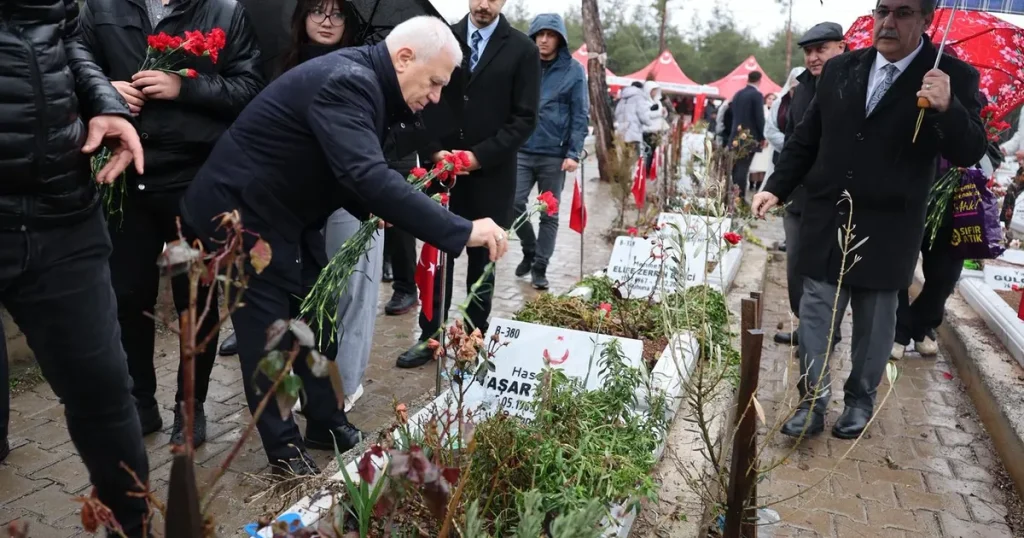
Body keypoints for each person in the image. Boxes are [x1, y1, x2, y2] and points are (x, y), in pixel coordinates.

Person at [180, 15, 511, 475]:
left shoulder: (366, 83)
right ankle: (285, 453)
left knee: (320, 317)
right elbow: (365, 175)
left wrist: (406, 203)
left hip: (287, 216)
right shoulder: (348, 82)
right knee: (269, 334)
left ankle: (325, 421)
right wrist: (459, 229)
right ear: (405, 57)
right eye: (434, 83)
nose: (435, 97)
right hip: (242, 217)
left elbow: (353, 170)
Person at [753, 0, 988, 440]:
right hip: (828, 217)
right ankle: (812, 401)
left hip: (889, 227)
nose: (888, 22)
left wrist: (949, 107)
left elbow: (969, 150)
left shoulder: (951, 76)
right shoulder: (842, 69)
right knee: (817, 314)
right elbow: (807, 136)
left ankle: (859, 400)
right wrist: (775, 186)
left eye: (902, 13)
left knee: (874, 327)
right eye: (883, 10)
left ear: (926, 20)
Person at [80, 0, 263, 449]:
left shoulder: (225, 10)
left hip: (196, 181)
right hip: (126, 178)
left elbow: (250, 89)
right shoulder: (100, 6)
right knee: (127, 296)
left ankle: (190, 405)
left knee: (195, 301)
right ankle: (139, 401)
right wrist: (103, 90)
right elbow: (74, 62)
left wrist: (185, 86)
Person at [1, 1, 151, 533]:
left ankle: (132, 526)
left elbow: (65, 41)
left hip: (61, 209)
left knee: (105, 392)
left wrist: (103, 101)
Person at [395, 0, 541, 369]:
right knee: (435, 257)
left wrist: (477, 157)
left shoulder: (522, 50)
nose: (484, 3)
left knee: (483, 262)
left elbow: (524, 119)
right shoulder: (443, 37)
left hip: (491, 176)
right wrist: (432, 150)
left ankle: (472, 343)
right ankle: (430, 336)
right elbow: (420, 102)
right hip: (439, 170)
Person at [770, 23, 845, 347]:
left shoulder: (851, 83)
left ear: (841, 47)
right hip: (797, 196)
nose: (814, 57)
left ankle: (825, 334)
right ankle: (807, 328)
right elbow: (792, 140)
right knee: (796, 267)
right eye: (809, 51)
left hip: (833, 198)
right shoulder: (800, 88)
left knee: (829, 273)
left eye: (822, 49)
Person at [513, 13, 589, 290]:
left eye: (550, 34)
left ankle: (540, 266)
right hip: (521, 149)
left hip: (554, 155)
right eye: (539, 34)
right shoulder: (523, 64)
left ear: (560, 38)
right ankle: (529, 248)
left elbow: (580, 113)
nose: (544, 40)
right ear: (533, 36)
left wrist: (574, 152)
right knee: (513, 202)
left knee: (549, 213)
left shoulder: (573, 70)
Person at [728, 71, 766, 198]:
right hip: (749, 136)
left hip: (735, 135)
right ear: (759, 80)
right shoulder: (756, 95)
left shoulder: (738, 94)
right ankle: (739, 198)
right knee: (743, 168)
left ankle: (733, 195)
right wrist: (762, 137)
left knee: (736, 167)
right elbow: (759, 118)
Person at [748, 92, 777, 192]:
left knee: (765, 163)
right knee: (756, 163)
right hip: (760, 139)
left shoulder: (775, 110)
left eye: (773, 99)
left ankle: (760, 184)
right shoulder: (761, 109)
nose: (771, 101)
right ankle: (752, 183)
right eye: (769, 98)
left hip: (770, 141)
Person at [615, 81, 652, 154]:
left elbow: (617, 113)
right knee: (635, 156)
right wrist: (649, 122)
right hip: (633, 132)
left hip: (622, 132)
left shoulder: (623, 98)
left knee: (624, 157)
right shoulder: (639, 97)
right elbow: (643, 115)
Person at [642, 80, 670, 172]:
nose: (654, 92)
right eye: (652, 90)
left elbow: (662, 115)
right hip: (648, 131)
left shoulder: (658, 102)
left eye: (655, 90)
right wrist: (659, 113)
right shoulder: (644, 102)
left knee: (655, 152)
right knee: (648, 152)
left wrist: (664, 113)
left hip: (657, 130)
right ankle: (645, 171)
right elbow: (647, 115)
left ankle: (651, 170)